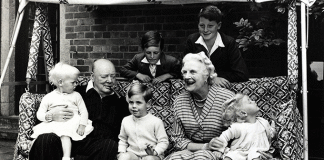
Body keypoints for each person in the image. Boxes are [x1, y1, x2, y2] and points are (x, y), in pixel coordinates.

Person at [29, 59, 130, 160]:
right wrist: (52, 115)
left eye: (113, 76)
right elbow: (44, 114)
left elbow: (127, 130)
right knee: (45, 139)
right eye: (104, 76)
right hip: (68, 140)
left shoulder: (120, 102)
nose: (110, 81)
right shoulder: (74, 92)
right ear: (92, 76)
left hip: (96, 147)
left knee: (110, 145)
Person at [165, 52, 235, 160]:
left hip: (220, 153)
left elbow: (240, 132)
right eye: (184, 72)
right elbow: (178, 139)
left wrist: (221, 150)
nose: (187, 76)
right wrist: (205, 147)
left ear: (206, 74)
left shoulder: (226, 98)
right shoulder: (180, 101)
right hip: (189, 152)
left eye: (192, 72)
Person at [30, 62, 94, 160]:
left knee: (65, 134)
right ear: (60, 83)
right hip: (55, 123)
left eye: (76, 82)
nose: (76, 84)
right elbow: (39, 113)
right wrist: (47, 116)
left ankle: (66, 157)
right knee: (42, 137)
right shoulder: (49, 97)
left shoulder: (76, 95)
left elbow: (84, 112)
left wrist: (82, 125)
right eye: (73, 82)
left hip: (72, 124)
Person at [183, 5, 249, 88]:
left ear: (219, 25)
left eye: (210, 26)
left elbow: (242, 74)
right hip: (198, 89)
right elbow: (183, 69)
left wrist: (217, 78)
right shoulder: (192, 41)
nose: (205, 30)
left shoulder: (228, 43)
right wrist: (211, 78)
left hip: (221, 91)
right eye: (202, 25)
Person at [117, 82, 169, 160]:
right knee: (124, 157)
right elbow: (123, 140)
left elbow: (164, 142)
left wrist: (155, 151)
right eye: (131, 102)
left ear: (148, 104)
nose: (134, 106)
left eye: (138, 103)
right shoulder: (126, 120)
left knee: (149, 159)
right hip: (133, 154)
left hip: (152, 155)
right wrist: (121, 152)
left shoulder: (156, 122)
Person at [217, 93, 276, 160]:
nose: (254, 101)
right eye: (250, 102)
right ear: (243, 113)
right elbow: (224, 136)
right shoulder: (238, 127)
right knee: (231, 155)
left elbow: (271, 134)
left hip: (258, 152)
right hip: (241, 152)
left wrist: (274, 122)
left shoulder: (263, 122)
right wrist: (219, 150)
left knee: (255, 156)